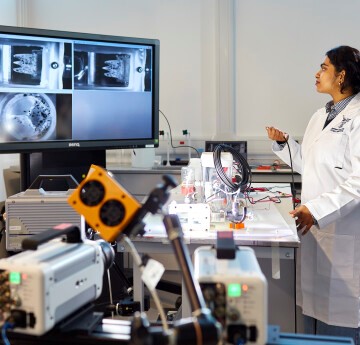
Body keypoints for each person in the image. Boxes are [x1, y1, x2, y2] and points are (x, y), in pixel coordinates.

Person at [266, 46, 360, 343]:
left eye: (324, 67)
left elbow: (358, 182)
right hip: (315, 228)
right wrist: (286, 145)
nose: (317, 73)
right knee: (314, 316)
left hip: (344, 230)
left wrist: (317, 211)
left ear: (341, 75)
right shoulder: (320, 115)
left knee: (341, 319)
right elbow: (310, 166)